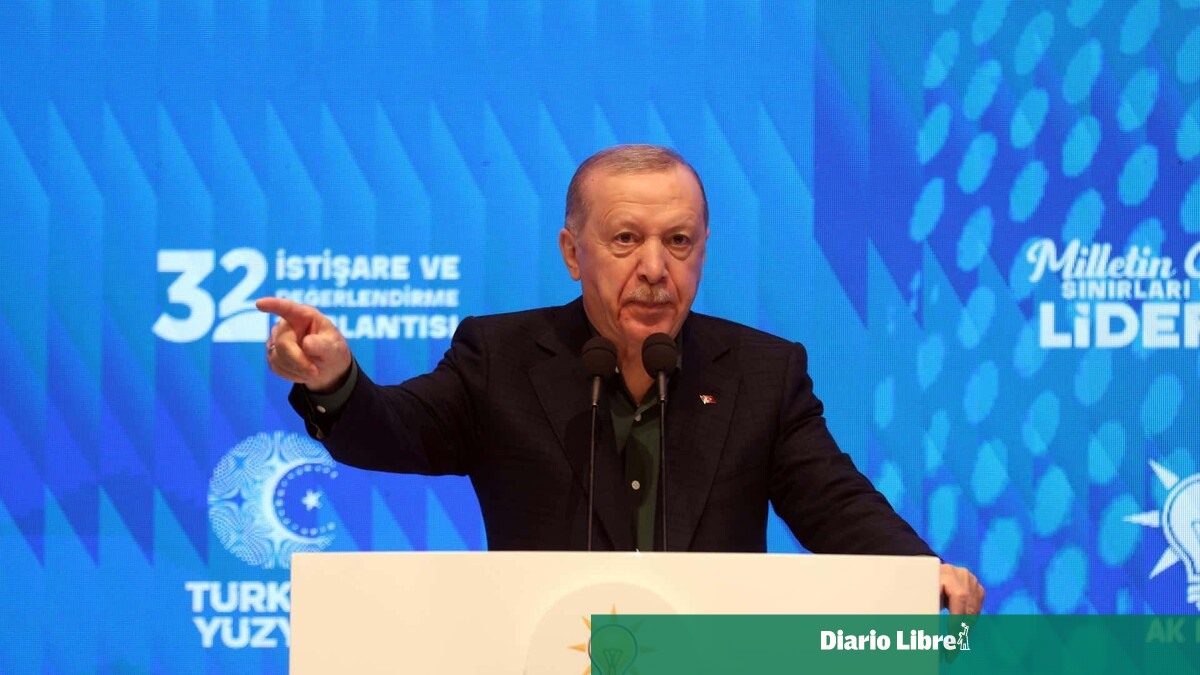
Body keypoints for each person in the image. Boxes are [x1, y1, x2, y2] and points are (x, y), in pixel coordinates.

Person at [257, 144, 985, 614]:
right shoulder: (501, 357)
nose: (655, 269)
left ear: (704, 251)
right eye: (627, 239)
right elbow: (396, 431)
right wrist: (336, 379)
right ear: (574, 253)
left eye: (679, 241)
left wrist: (916, 572)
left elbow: (834, 500)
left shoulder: (763, 372)